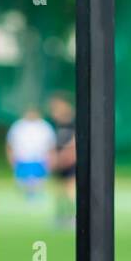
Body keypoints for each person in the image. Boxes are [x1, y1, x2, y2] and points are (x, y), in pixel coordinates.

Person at [5, 105, 56, 200]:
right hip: (22, 159)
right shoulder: (18, 126)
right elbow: (10, 144)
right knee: (23, 183)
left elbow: (51, 145)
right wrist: (11, 158)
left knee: (38, 184)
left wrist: (51, 160)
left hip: (39, 159)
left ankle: (34, 199)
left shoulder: (44, 126)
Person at [46, 92, 77, 226]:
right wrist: (54, 158)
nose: (54, 112)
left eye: (56, 107)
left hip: (71, 163)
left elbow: (75, 143)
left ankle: (74, 216)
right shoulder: (56, 125)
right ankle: (61, 216)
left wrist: (66, 156)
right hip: (60, 163)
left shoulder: (74, 122)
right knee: (59, 191)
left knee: (70, 189)